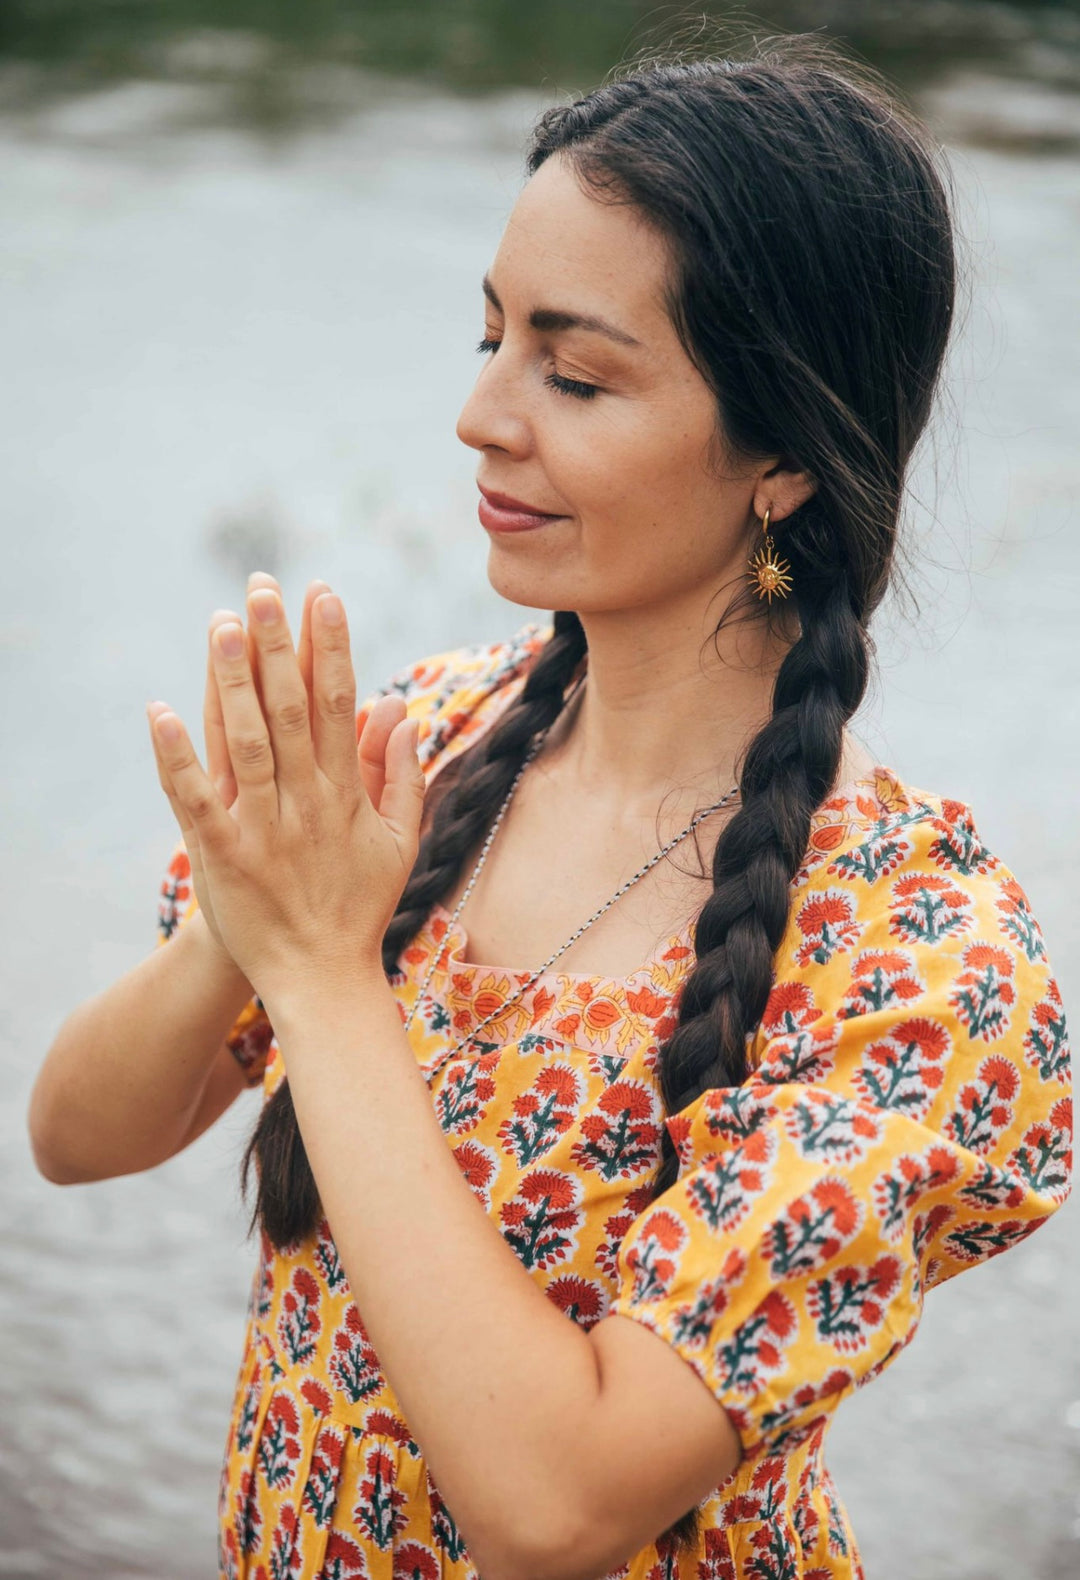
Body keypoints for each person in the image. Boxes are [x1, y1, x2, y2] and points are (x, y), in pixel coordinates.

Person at [29, 36, 1072, 1580]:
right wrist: (240, 936)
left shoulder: (919, 960)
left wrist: (325, 975)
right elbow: (75, 1136)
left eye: (574, 373)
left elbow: (557, 1506)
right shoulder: (433, 744)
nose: (481, 416)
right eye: (492, 337)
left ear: (782, 456)